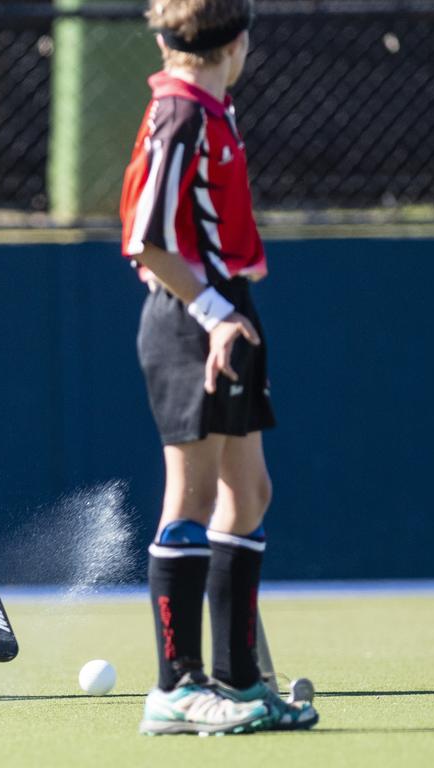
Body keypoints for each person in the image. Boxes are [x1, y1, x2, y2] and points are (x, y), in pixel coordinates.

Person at [119, 0, 318, 735]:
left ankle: (236, 680)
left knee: (250, 491)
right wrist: (212, 315)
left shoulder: (208, 106)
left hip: (226, 310)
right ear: (237, 43)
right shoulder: (181, 113)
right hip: (192, 319)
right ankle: (174, 688)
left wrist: (227, 312)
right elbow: (144, 240)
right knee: (192, 497)